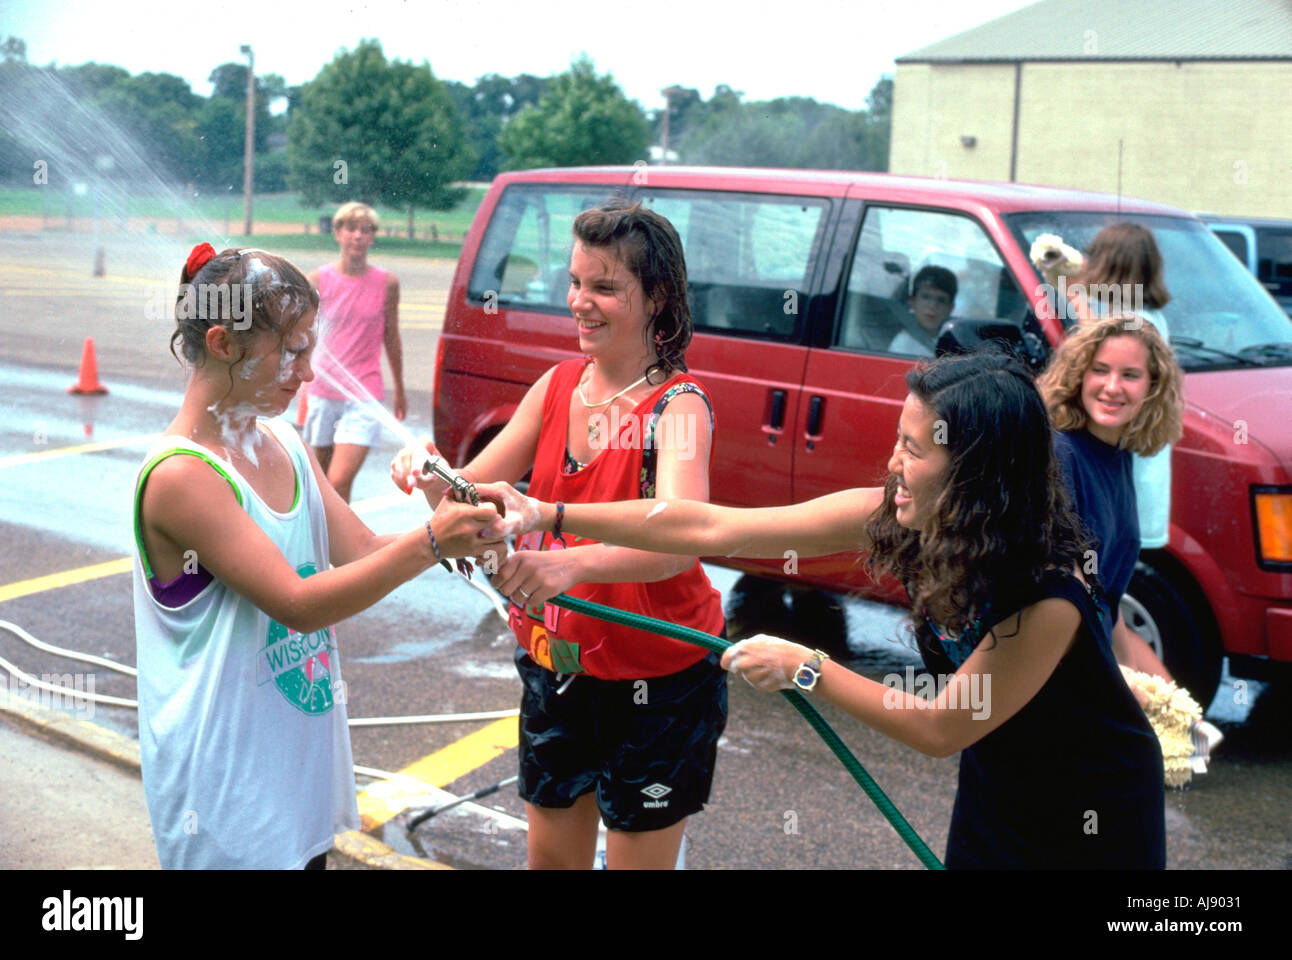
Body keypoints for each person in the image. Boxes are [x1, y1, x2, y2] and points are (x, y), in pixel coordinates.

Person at [478, 351, 1168, 869]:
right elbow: (713, 528)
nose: (894, 464)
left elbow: (941, 725)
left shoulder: (1048, 593)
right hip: (999, 782)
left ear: (974, 470)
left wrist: (807, 667)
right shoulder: (907, 514)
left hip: (1093, 805)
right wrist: (551, 511)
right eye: (901, 438)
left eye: (914, 448)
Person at [133, 242, 501, 869]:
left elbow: (362, 552)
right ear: (221, 343)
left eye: (310, 348)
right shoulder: (181, 476)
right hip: (223, 796)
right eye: (292, 351)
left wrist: (451, 519)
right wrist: (433, 541)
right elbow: (298, 604)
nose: (307, 374)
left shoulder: (281, 437)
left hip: (292, 776)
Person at [393, 202, 724, 871]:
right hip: (559, 667)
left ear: (656, 298)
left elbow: (682, 543)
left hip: (658, 681)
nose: (580, 303)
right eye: (574, 282)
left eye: (604, 288)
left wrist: (568, 569)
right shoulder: (556, 386)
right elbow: (471, 496)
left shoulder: (677, 407)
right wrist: (429, 474)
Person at [1037, 314, 1221, 782]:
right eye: (1100, 370)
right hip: (1050, 689)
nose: (1112, 386)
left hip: (1090, 681)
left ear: (1153, 388)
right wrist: (1138, 701)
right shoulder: (1062, 456)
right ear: (1078, 375)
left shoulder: (1118, 458)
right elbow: (1064, 613)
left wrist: (1179, 708)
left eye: (1130, 374)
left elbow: (1108, 610)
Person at [1066, 222, 1173, 552]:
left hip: (1131, 464)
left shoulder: (1136, 322)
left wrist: (1073, 292)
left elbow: (1095, 346)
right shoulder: (1145, 313)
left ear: (1109, 265)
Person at [303, 201, 405, 501]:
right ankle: (320, 545)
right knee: (319, 485)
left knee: (338, 480)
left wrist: (399, 388)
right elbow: (304, 337)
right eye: (350, 229)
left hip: (364, 394)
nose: (358, 236)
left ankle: (342, 549)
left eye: (366, 230)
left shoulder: (387, 283)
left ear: (373, 236)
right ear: (337, 233)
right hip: (321, 391)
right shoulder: (317, 281)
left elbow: (392, 337)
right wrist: (300, 388)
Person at [887, 265, 957, 357]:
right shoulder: (902, 344)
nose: (932, 306)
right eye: (926, 297)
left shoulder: (954, 343)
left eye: (941, 300)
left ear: (950, 308)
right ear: (912, 302)